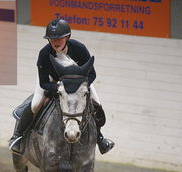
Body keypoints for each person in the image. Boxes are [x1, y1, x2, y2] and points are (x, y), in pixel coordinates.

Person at [9, 18, 114, 155]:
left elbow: (92, 74)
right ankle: (18, 136)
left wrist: (81, 86)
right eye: (52, 39)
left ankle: (100, 138)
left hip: (79, 83)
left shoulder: (79, 49)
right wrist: (59, 88)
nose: (55, 42)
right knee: (35, 104)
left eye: (59, 38)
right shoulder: (44, 54)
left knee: (96, 103)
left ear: (67, 37)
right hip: (52, 81)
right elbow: (43, 82)